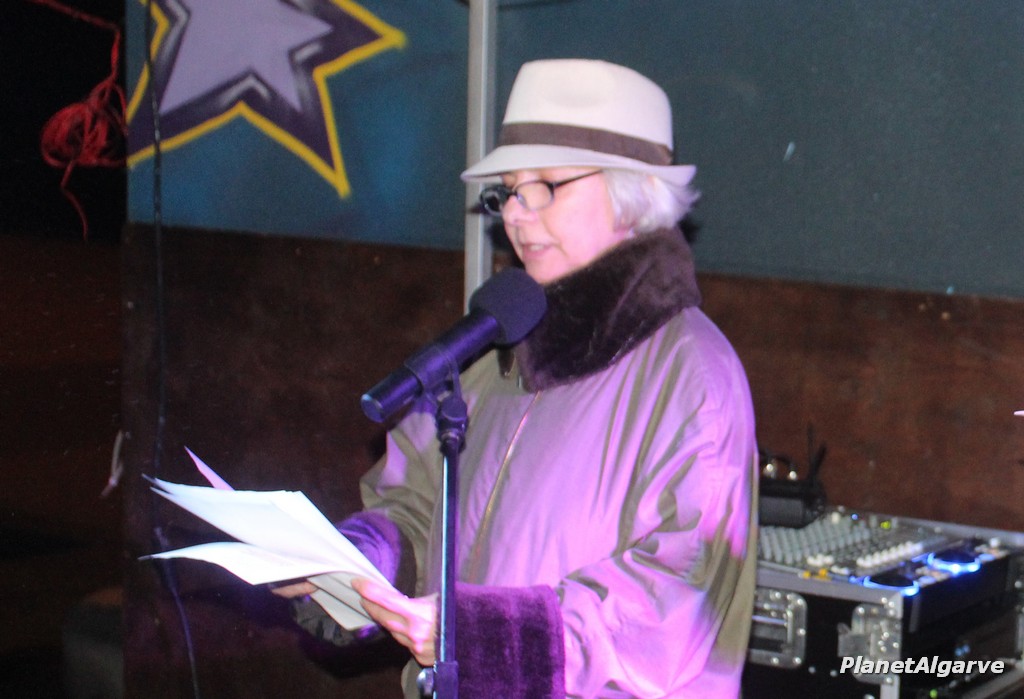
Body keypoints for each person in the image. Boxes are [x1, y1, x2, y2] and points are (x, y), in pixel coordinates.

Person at [275, 58, 759, 698]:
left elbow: (674, 597)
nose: (515, 215)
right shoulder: (493, 347)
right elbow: (415, 504)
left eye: (547, 186)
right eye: (507, 191)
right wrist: (350, 564)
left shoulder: (694, 375)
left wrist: (477, 638)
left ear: (635, 193)